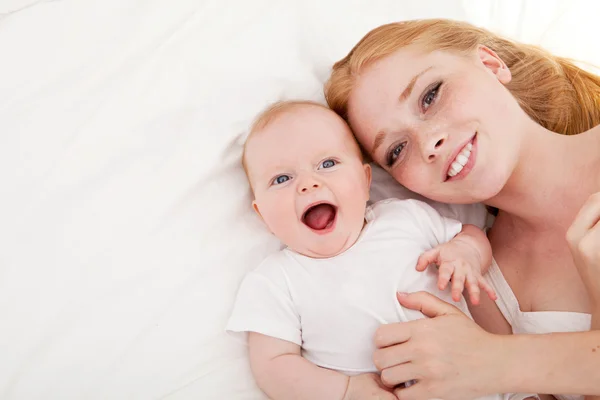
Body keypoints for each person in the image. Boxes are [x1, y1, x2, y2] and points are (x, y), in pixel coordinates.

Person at [324, 18, 600, 400]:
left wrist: (496, 362)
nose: (429, 142)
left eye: (430, 95)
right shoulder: (483, 291)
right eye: (397, 151)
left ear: (491, 65)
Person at [226, 100, 535, 400]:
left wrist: (466, 251)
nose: (308, 184)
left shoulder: (406, 218)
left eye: (327, 163)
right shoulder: (276, 280)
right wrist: (345, 391)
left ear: (365, 180)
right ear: (262, 214)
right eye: (282, 179)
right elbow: (273, 366)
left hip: (481, 377)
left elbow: (470, 233)